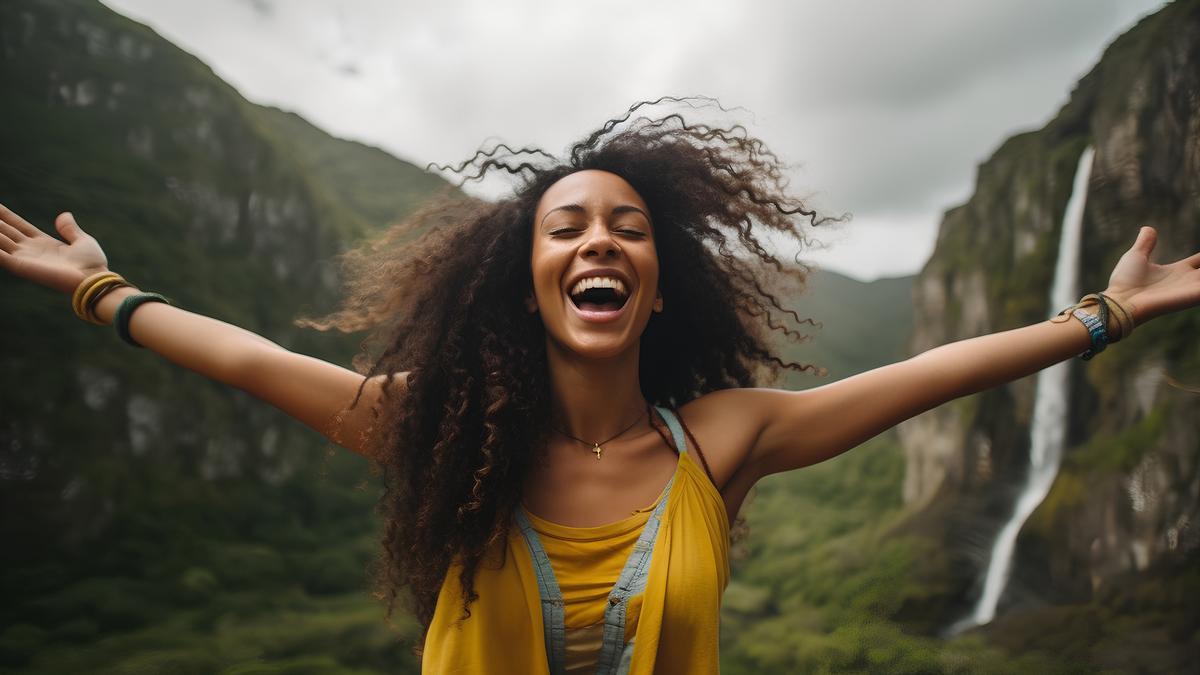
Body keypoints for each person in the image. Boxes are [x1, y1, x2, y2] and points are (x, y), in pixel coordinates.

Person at [2, 99, 1197, 675]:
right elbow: (254, 359)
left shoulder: (720, 443)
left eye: (629, 228)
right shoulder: (448, 433)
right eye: (566, 227)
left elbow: (927, 374)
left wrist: (1104, 316)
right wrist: (100, 291)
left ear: (658, 287)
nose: (600, 243)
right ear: (528, 283)